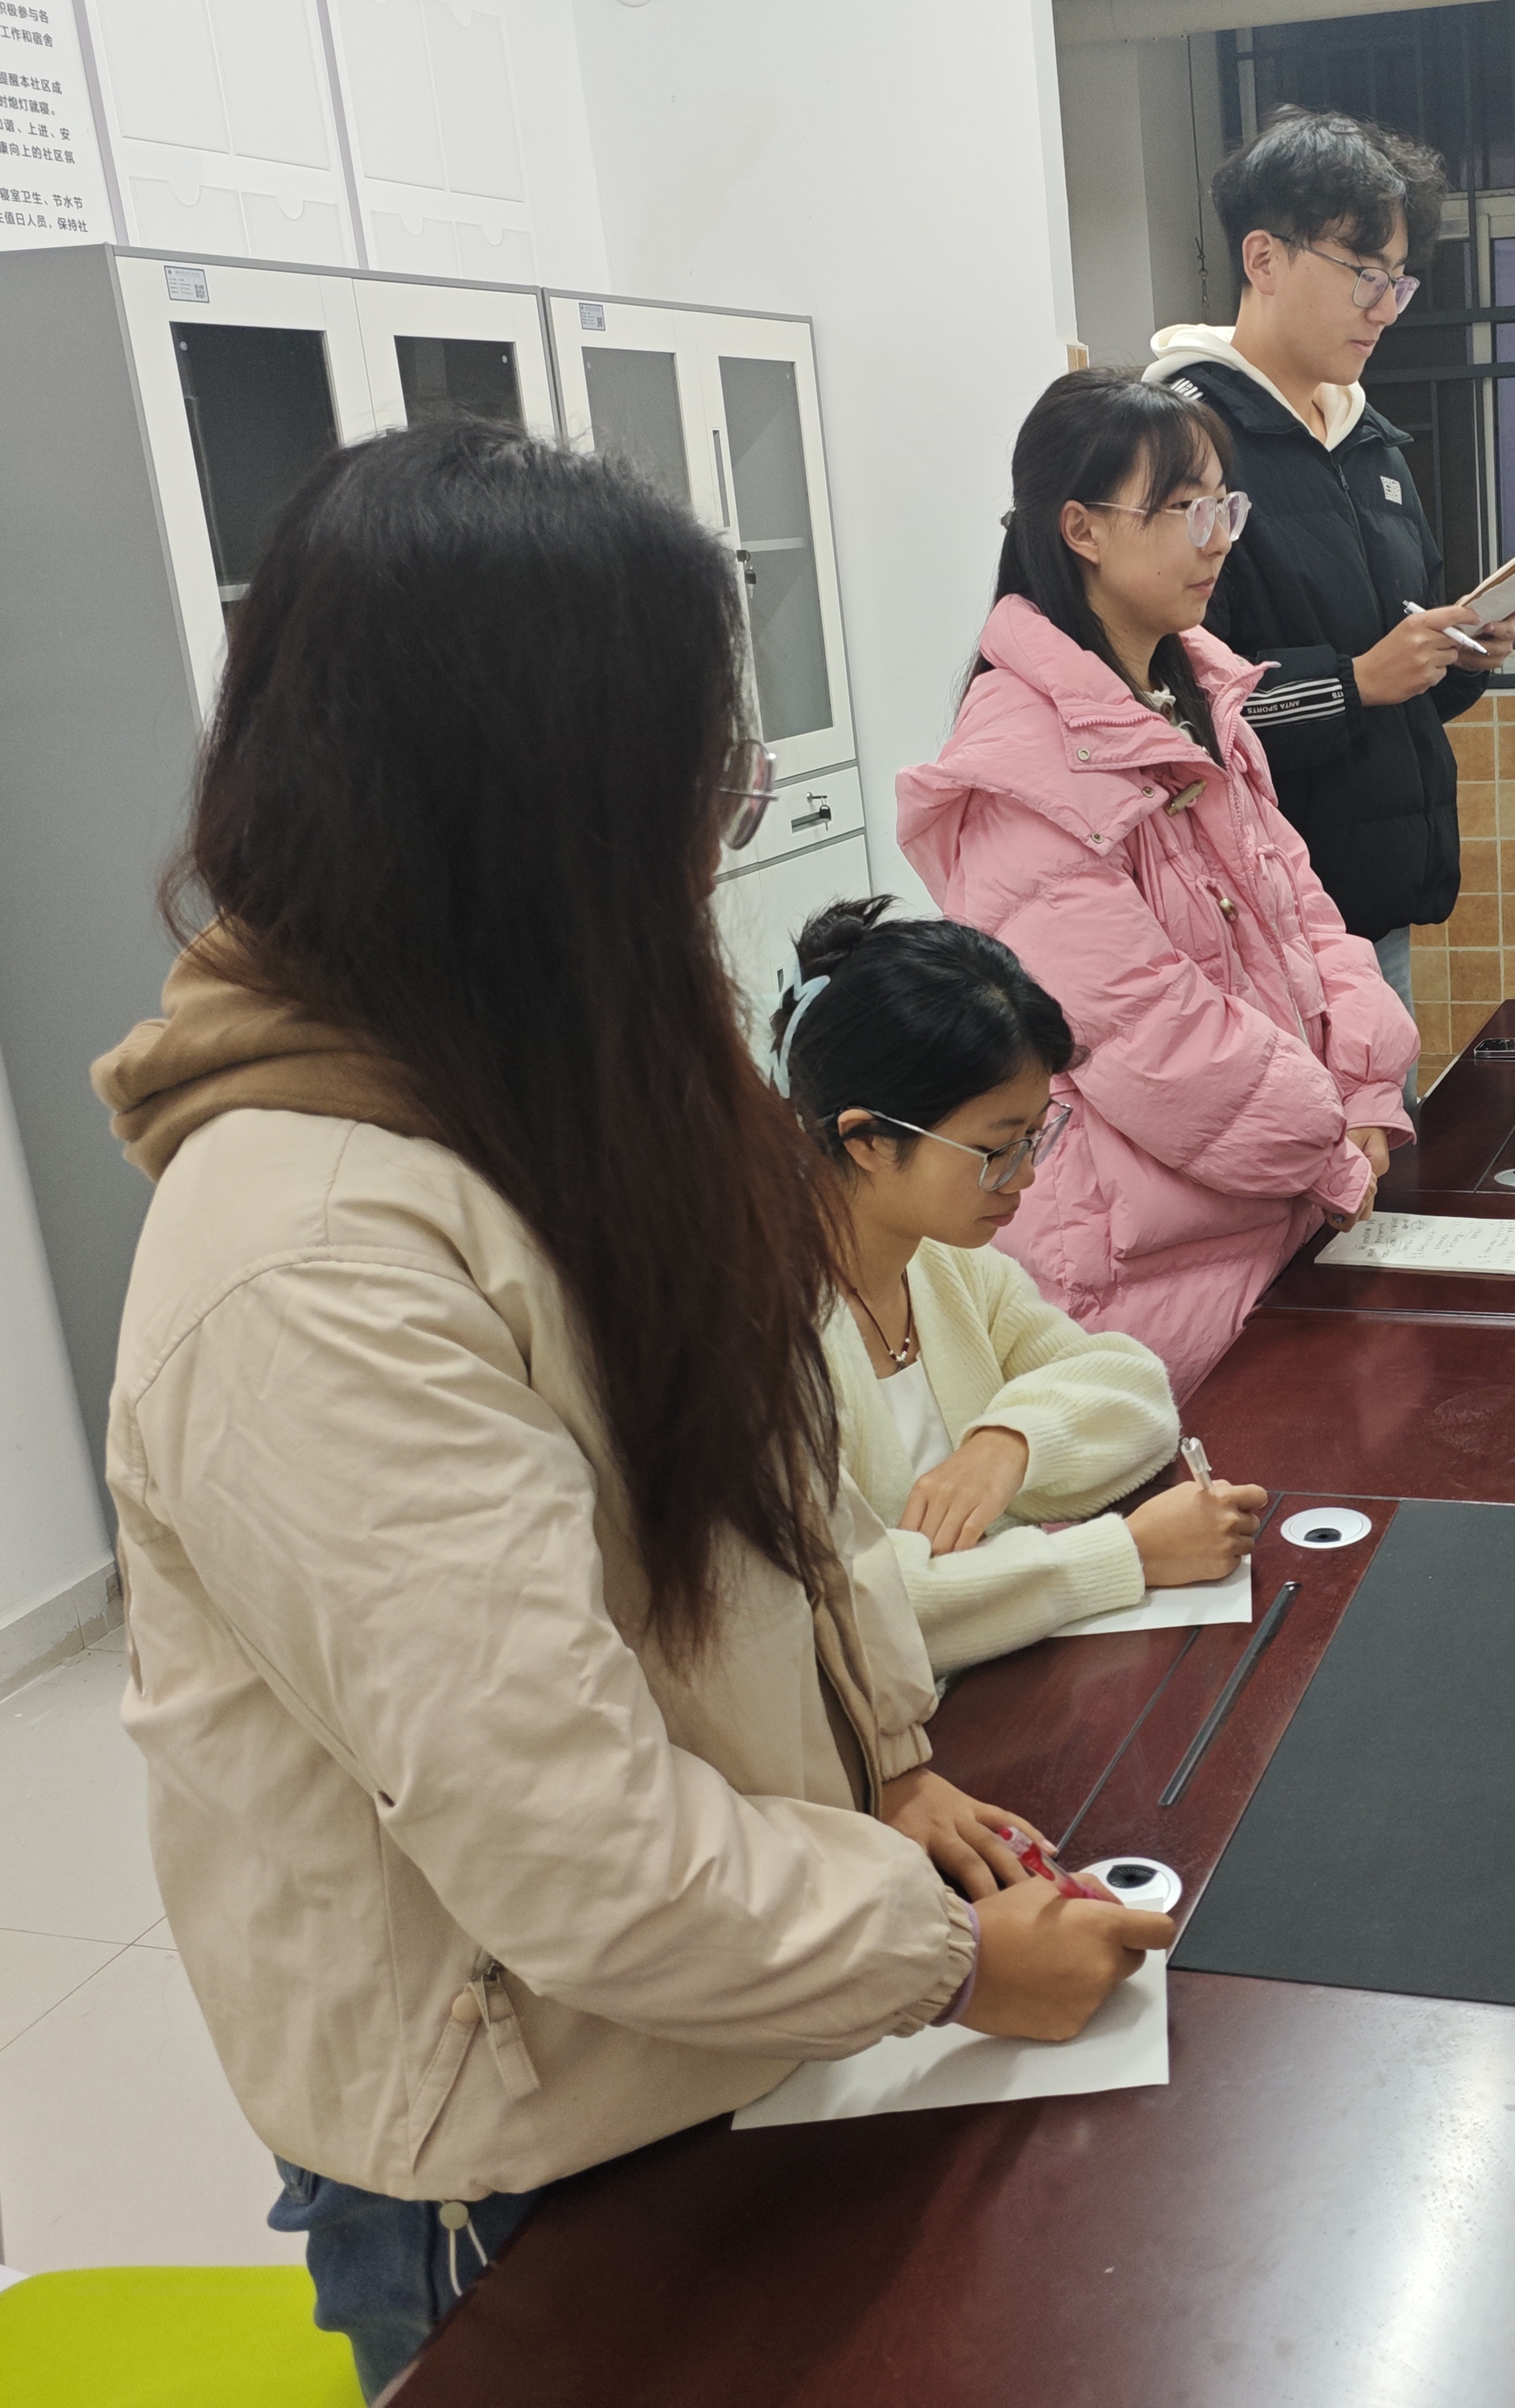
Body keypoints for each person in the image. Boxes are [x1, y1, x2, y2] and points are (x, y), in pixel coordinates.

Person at [92, 426, 1171, 2398]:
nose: (717, 842)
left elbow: (777, 1501)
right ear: (537, 814)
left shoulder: (562, 1083)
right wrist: (936, 1952)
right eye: (699, 786)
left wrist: (887, 1764)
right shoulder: (312, 1256)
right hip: (519, 2145)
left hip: (718, 2008)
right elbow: (566, 1843)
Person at [901, 370, 1417, 1392]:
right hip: (1148, 1258)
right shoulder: (1020, 760)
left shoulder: (1198, 696)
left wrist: (1363, 1085)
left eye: (1226, 505)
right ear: (1082, 529)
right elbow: (1146, 1034)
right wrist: (1326, 1143)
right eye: (1185, 509)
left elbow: (1306, 915)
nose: (1218, 539)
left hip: (1273, 1198)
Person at [769, 895, 1269, 1673]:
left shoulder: (947, 1264)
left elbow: (1137, 1392)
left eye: (1037, 1134)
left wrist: (1009, 1445)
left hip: (994, 1681)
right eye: (997, 1148)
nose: (1026, 1176)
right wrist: (1127, 1555)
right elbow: (844, 1613)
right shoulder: (759, 1329)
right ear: (866, 1140)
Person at [1145, 106, 1515, 1005]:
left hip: (1374, 912)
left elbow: (1405, 682)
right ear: (1263, 259)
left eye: (1397, 282)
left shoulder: (1370, 444)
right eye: (1363, 274)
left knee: (1388, 1100)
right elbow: (1171, 709)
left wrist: (1457, 657)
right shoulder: (1182, 445)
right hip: (1251, 927)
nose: (1383, 309)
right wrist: (1354, 683)